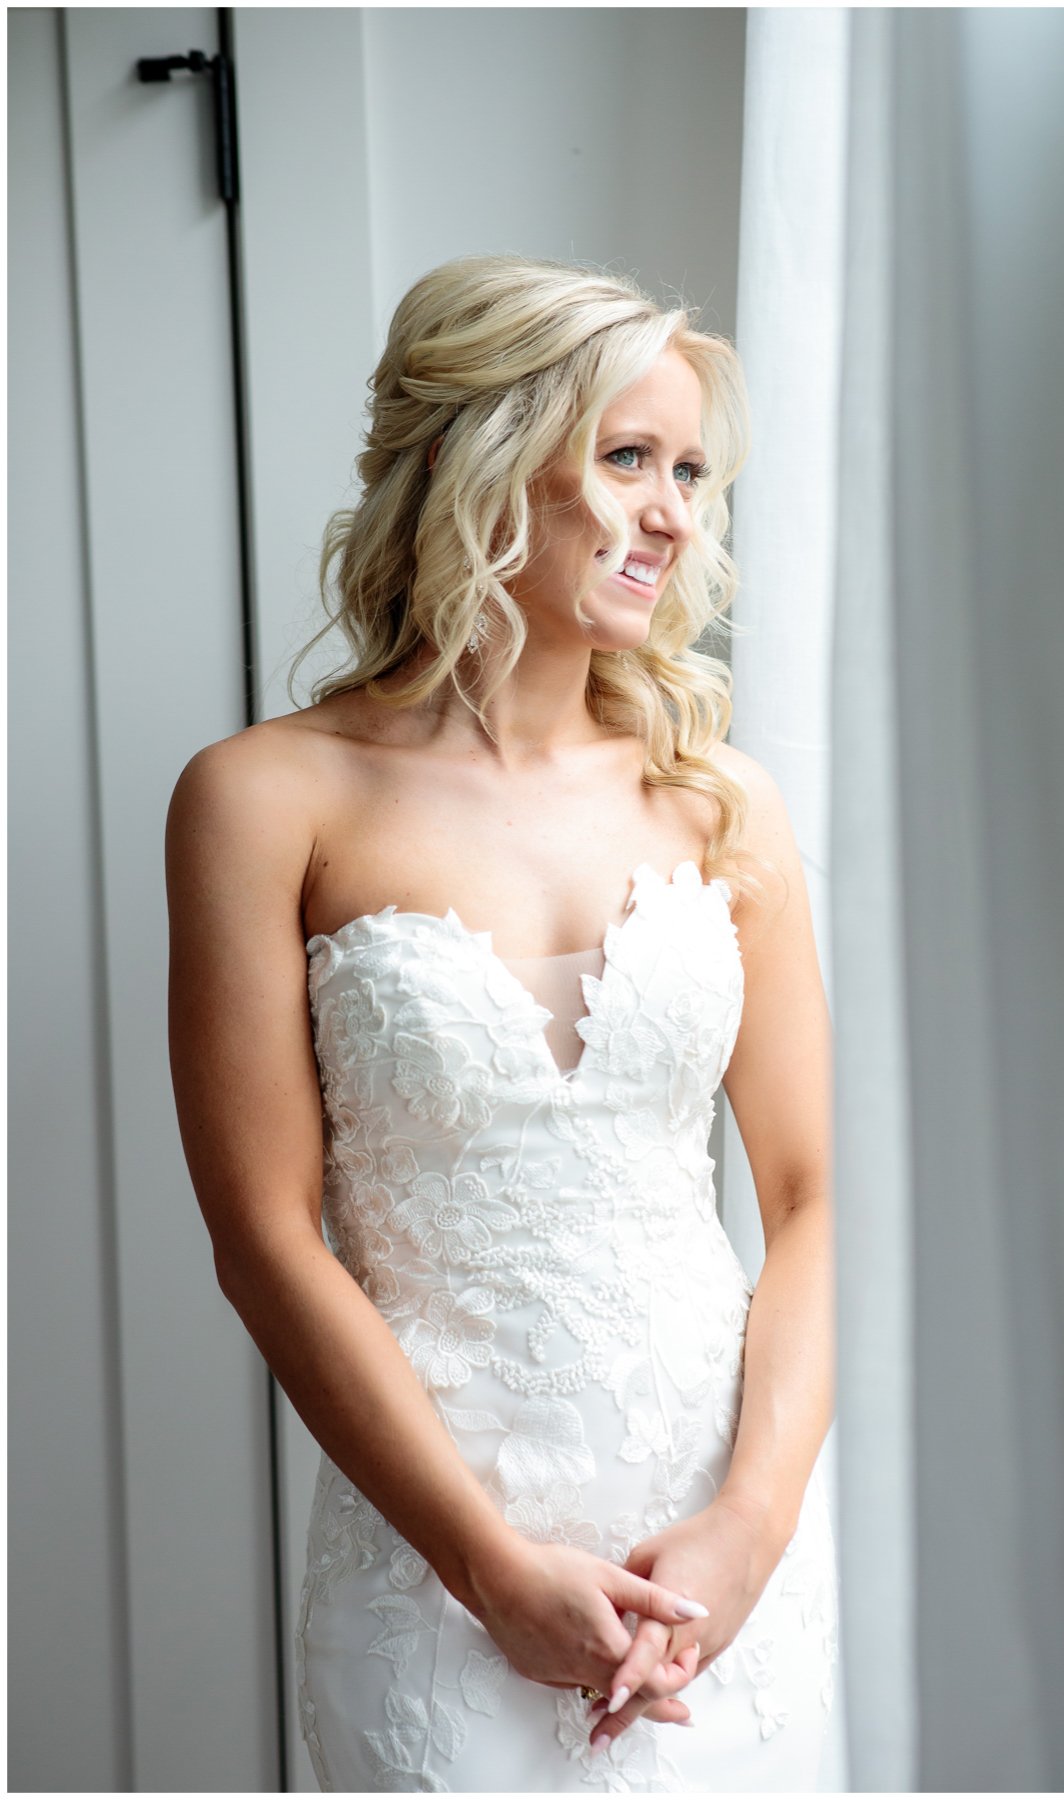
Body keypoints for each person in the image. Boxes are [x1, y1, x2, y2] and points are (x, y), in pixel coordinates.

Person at [166, 255, 840, 1789]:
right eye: (628, 460)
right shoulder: (263, 799)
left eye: (689, 472)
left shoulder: (720, 802)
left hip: (722, 1547)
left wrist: (754, 1526)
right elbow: (266, 1236)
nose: (674, 514)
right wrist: (482, 1564)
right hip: (437, 1566)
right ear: (484, 458)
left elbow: (804, 1201)